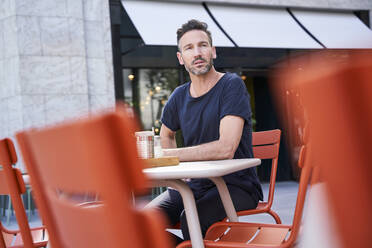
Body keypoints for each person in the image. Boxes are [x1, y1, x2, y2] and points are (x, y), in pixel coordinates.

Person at [147, 19, 263, 245]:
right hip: (195, 185)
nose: (197, 52)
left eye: (203, 45)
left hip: (236, 186)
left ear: (213, 51)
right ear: (181, 58)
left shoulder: (231, 85)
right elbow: (166, 134)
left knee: (191, 220)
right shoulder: (179, 96)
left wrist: (169, 157)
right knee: (141, 222)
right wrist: (175, 178)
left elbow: (225, 148)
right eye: (189, 48)